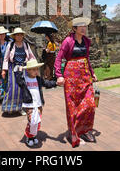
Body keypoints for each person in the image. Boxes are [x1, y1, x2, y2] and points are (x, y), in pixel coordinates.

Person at [54, 17, 98, 147]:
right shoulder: (68, 41)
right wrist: (59, 75)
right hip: (71, 77)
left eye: (85, 26)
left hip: (84, 75)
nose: (84, 28)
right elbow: (59, 58)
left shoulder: (86, 41)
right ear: (74, 28)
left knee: (90, 104)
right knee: (73, 106)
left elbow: (87, 58)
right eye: (81, 26)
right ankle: (74, 133)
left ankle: (85, 129)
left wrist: (92, 72)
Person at [16, 59, 57, 147]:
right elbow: (18, 81)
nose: (36, 71)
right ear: (28, 70)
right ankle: (28, 137)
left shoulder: (38, 79)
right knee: (32, 122)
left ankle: (33, 136)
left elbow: (47, 83)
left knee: (37, 121)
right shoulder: (25, 80)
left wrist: (56, 83)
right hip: (29, 104)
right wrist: (19, 72)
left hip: (38, 104)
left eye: (37, 69)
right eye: (33, 69)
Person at [1, 28, 36, 115]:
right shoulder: (11, 45)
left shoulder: (26, 45)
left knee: (22, 88)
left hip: (23, 69)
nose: (19, 36)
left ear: (22, 36)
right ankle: (9, 108)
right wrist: (3, 70)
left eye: (20, 34)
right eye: (17, 35)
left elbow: (31, 56)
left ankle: (20, 108)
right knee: (12, 87)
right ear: (14, 36)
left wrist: (34, 66)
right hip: (13, 68)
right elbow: (6, 58)